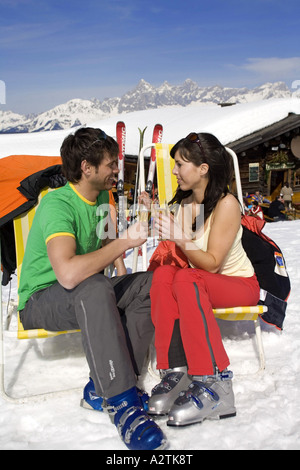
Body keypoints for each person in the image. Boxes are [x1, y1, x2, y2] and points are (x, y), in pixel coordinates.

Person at [17, 127, 166, 450]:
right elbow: (69, 274)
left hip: (86, 292)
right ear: (87, 168)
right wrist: (127, 241)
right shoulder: (58, 206)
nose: (117, 170)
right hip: (41, 299)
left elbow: (107, 241)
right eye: (112, 164)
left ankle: (105, 386)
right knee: (95, 285)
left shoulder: (100, 196)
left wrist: (126, 278)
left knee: (150, 284)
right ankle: (123, 405)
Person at [145, 132, 260, 427]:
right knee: (164, 276)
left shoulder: (227, 205)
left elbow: (211, 263)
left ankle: (215, 382)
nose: (173, 171)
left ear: (203, 168)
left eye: (180, 164)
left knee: (186, 280)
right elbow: (182, 255)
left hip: (238, 285)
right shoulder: (186, 203)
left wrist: (180, 237)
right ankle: (176, 371)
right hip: (202, 281)